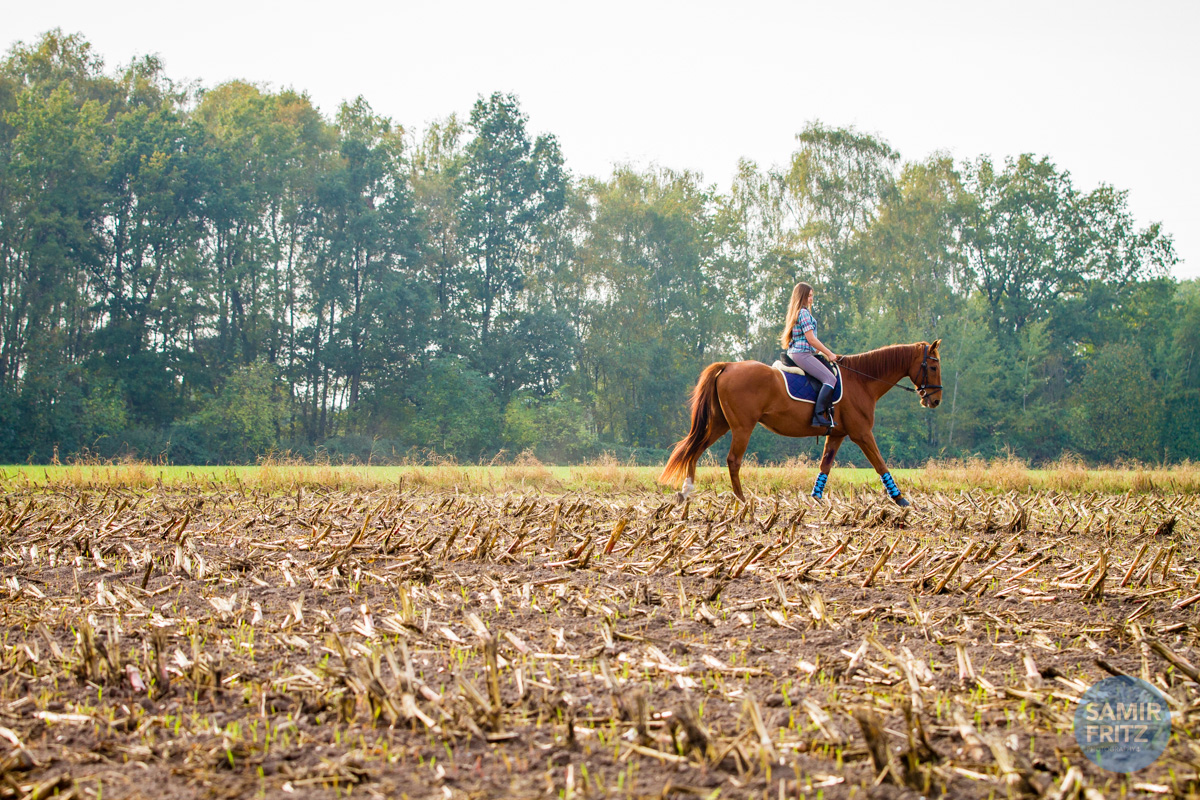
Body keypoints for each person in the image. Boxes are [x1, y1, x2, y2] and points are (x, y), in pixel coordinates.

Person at [780, 282, 839, 427]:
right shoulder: (804, 313)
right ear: (803, 296)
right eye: (809, 296)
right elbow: (811, 339)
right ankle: (818, 416)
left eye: (812, 296)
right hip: (802, 354)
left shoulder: (797, 312)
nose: (812, 299)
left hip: (798, 352)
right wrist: (829, 353)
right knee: (830, 379)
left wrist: (819, 352)